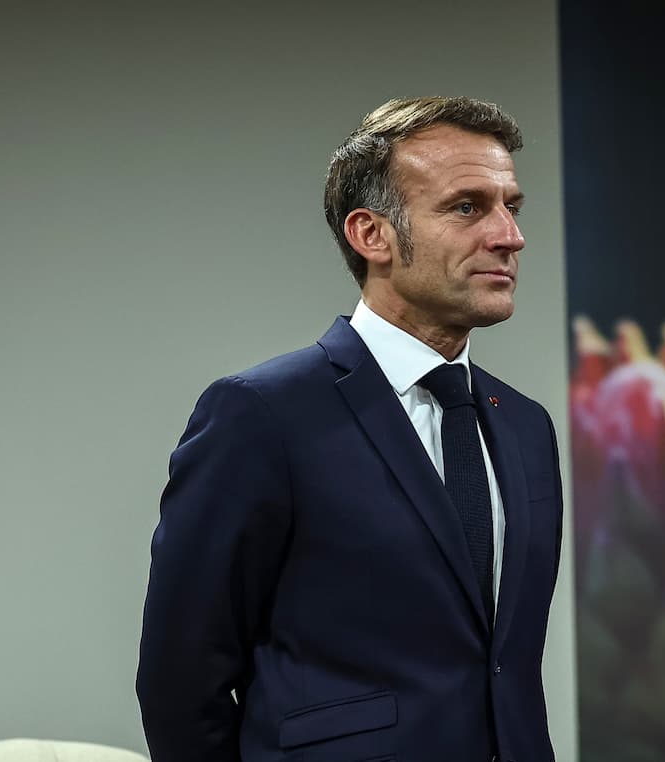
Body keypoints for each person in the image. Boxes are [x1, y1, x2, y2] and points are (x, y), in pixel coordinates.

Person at [136, 97, 562, 761]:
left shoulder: (526, 426)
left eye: (512, 206)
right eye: (467, 207)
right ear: (372, 235)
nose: (510, 236)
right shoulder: (262, 414)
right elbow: (180, 679)